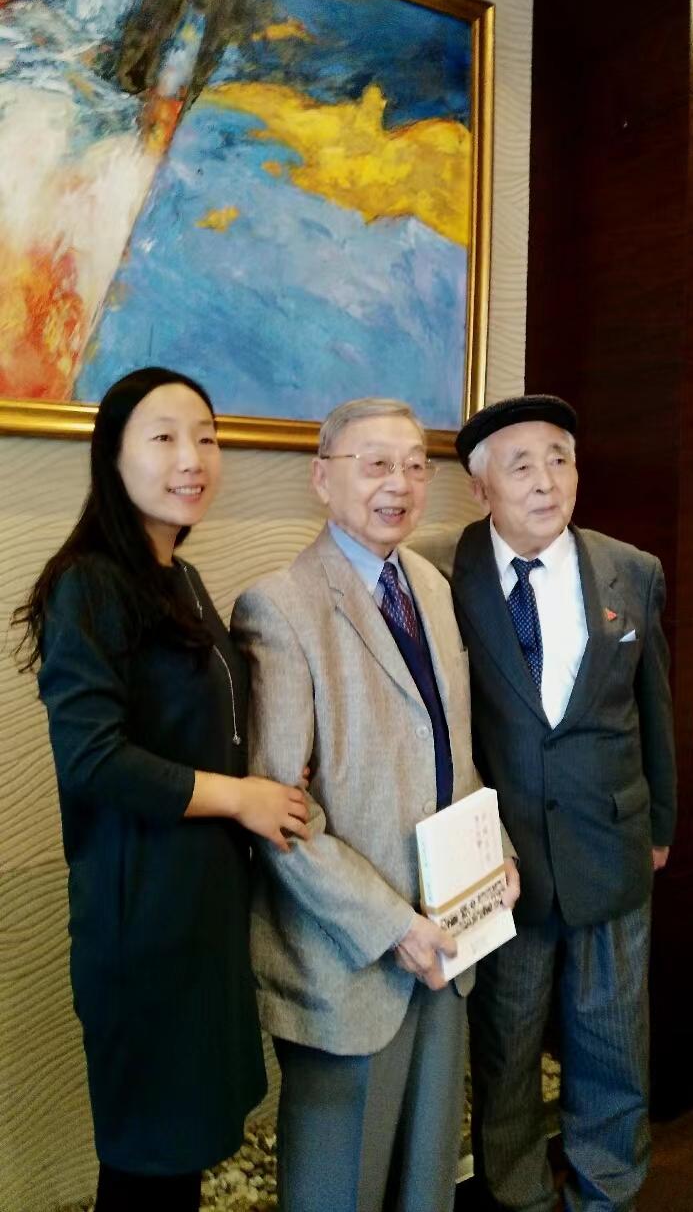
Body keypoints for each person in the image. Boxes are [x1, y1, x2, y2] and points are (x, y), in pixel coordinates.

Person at [13, 366, 309, 1212]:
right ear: (113, 454)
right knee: (148, 1162)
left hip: (203, 912)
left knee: (180, 1158)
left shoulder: (179, 576)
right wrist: (241, 797)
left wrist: (270, 779)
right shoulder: (89, 583)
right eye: (166, 437)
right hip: (142, 920)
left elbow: (199, 726)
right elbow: (94, 759)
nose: (193, 458)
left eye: (206, 437)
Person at [231, 397, 520, 1212]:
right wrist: (396, 927)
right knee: (339, 1191)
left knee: (426, 1182)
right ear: (323, 479)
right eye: (376, 464)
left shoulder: (429, 584)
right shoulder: (279, 606)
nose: (400, 483)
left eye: (415, 465)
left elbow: (453, 753)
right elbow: (284, 819)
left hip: (449, 942)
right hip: (351, 961)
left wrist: (498, 854)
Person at [451, 394, 677, 1212]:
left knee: (613, 1039)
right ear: (481, 487)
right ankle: (518, 1195)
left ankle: (606, 1190)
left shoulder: (632, 570)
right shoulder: (443, 575)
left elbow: (654, 706)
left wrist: (661, 823)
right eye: (522, 466)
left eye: (560, 459)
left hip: (612, 844)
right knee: (505, 1047)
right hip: (504, 863)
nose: (547, 481)